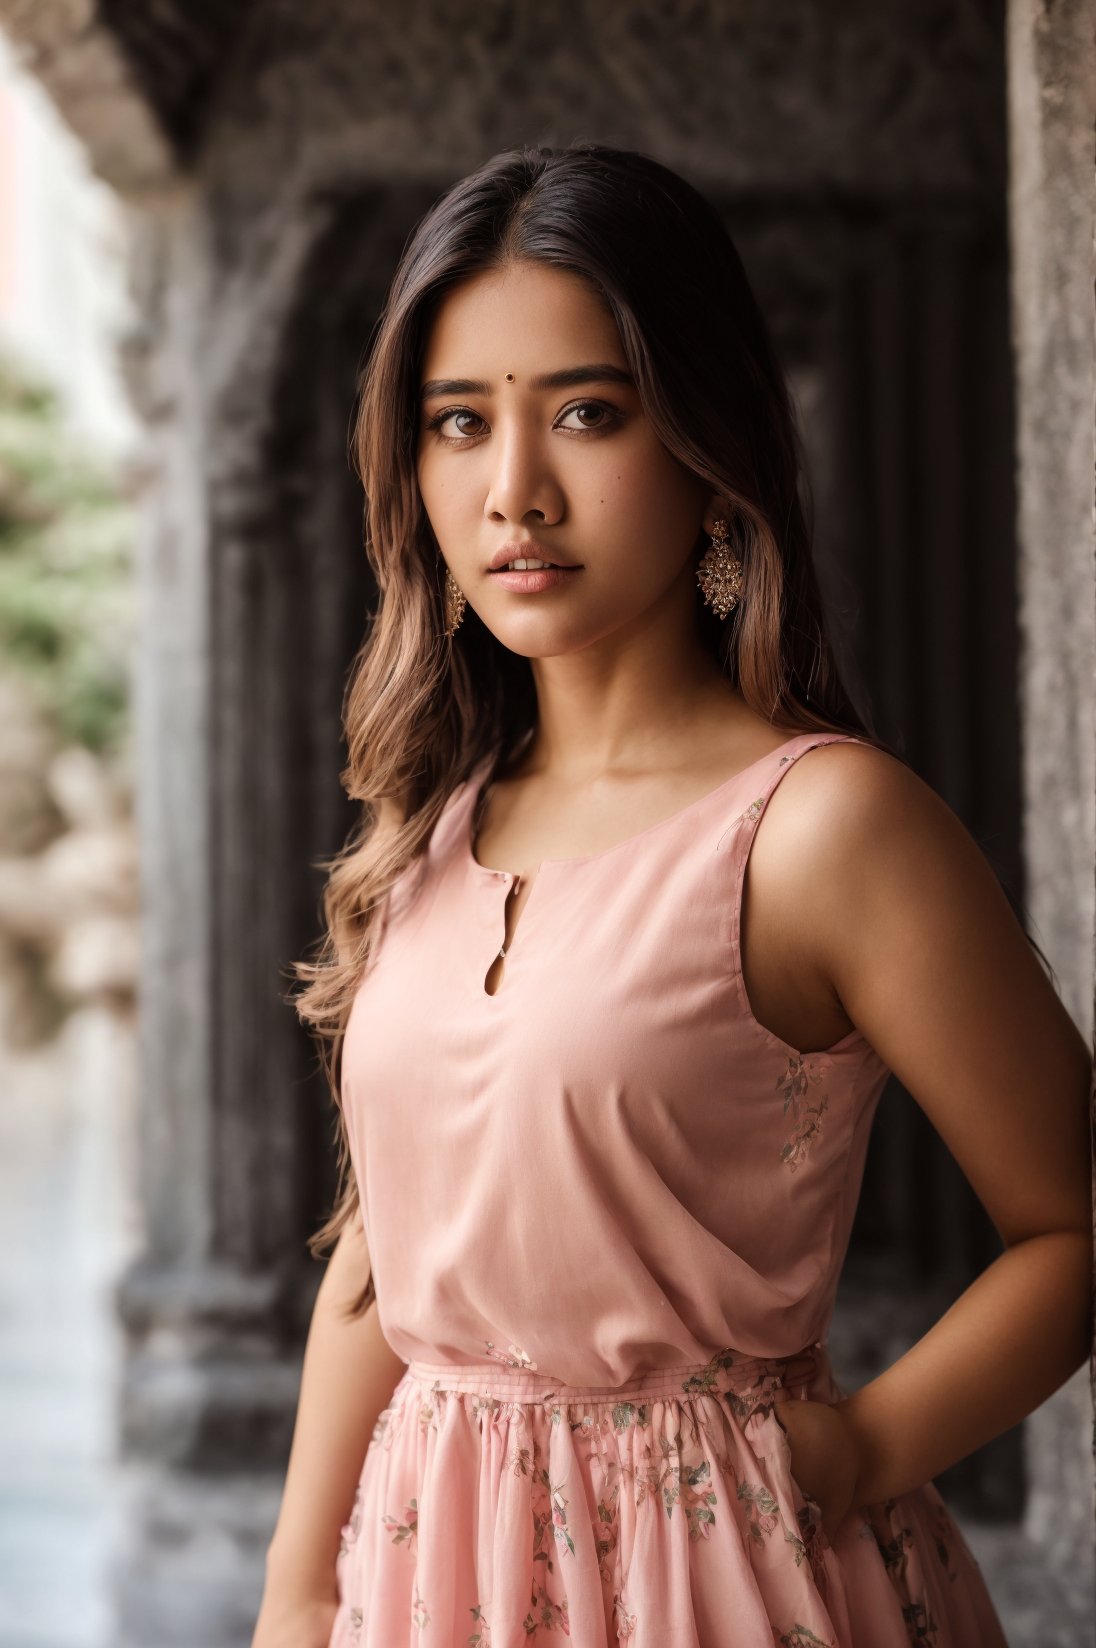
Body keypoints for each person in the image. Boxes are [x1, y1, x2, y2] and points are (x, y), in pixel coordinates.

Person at [251, 143, 1092, 1648]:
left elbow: (1074, 1223)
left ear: (707, 452)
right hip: (427, 1585)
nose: (514, 490)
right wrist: (299, 1595)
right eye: (459, 424)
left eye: (586, 411)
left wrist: (869, 1446)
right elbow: (383, 1257)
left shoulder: (824, 827)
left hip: (726, 1586)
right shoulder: (431, 827)